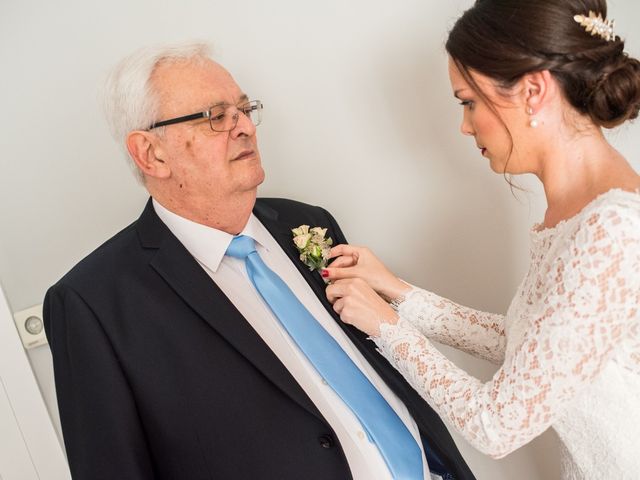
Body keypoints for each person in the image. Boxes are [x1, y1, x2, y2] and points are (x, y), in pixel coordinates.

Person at [43, 42, 476, 480]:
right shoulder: (92, 304)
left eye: (244, 109)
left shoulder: (306, 223)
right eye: (216, 117)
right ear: (151, 154)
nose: (246, 127)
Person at [322, 0, 640, 479]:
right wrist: (397, 291)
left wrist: (387, 328)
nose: (465, 125)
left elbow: (497, 424)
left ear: (534, 90)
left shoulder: (611, 230)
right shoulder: (578, 214)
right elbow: (527, 344)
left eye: (468, 101)